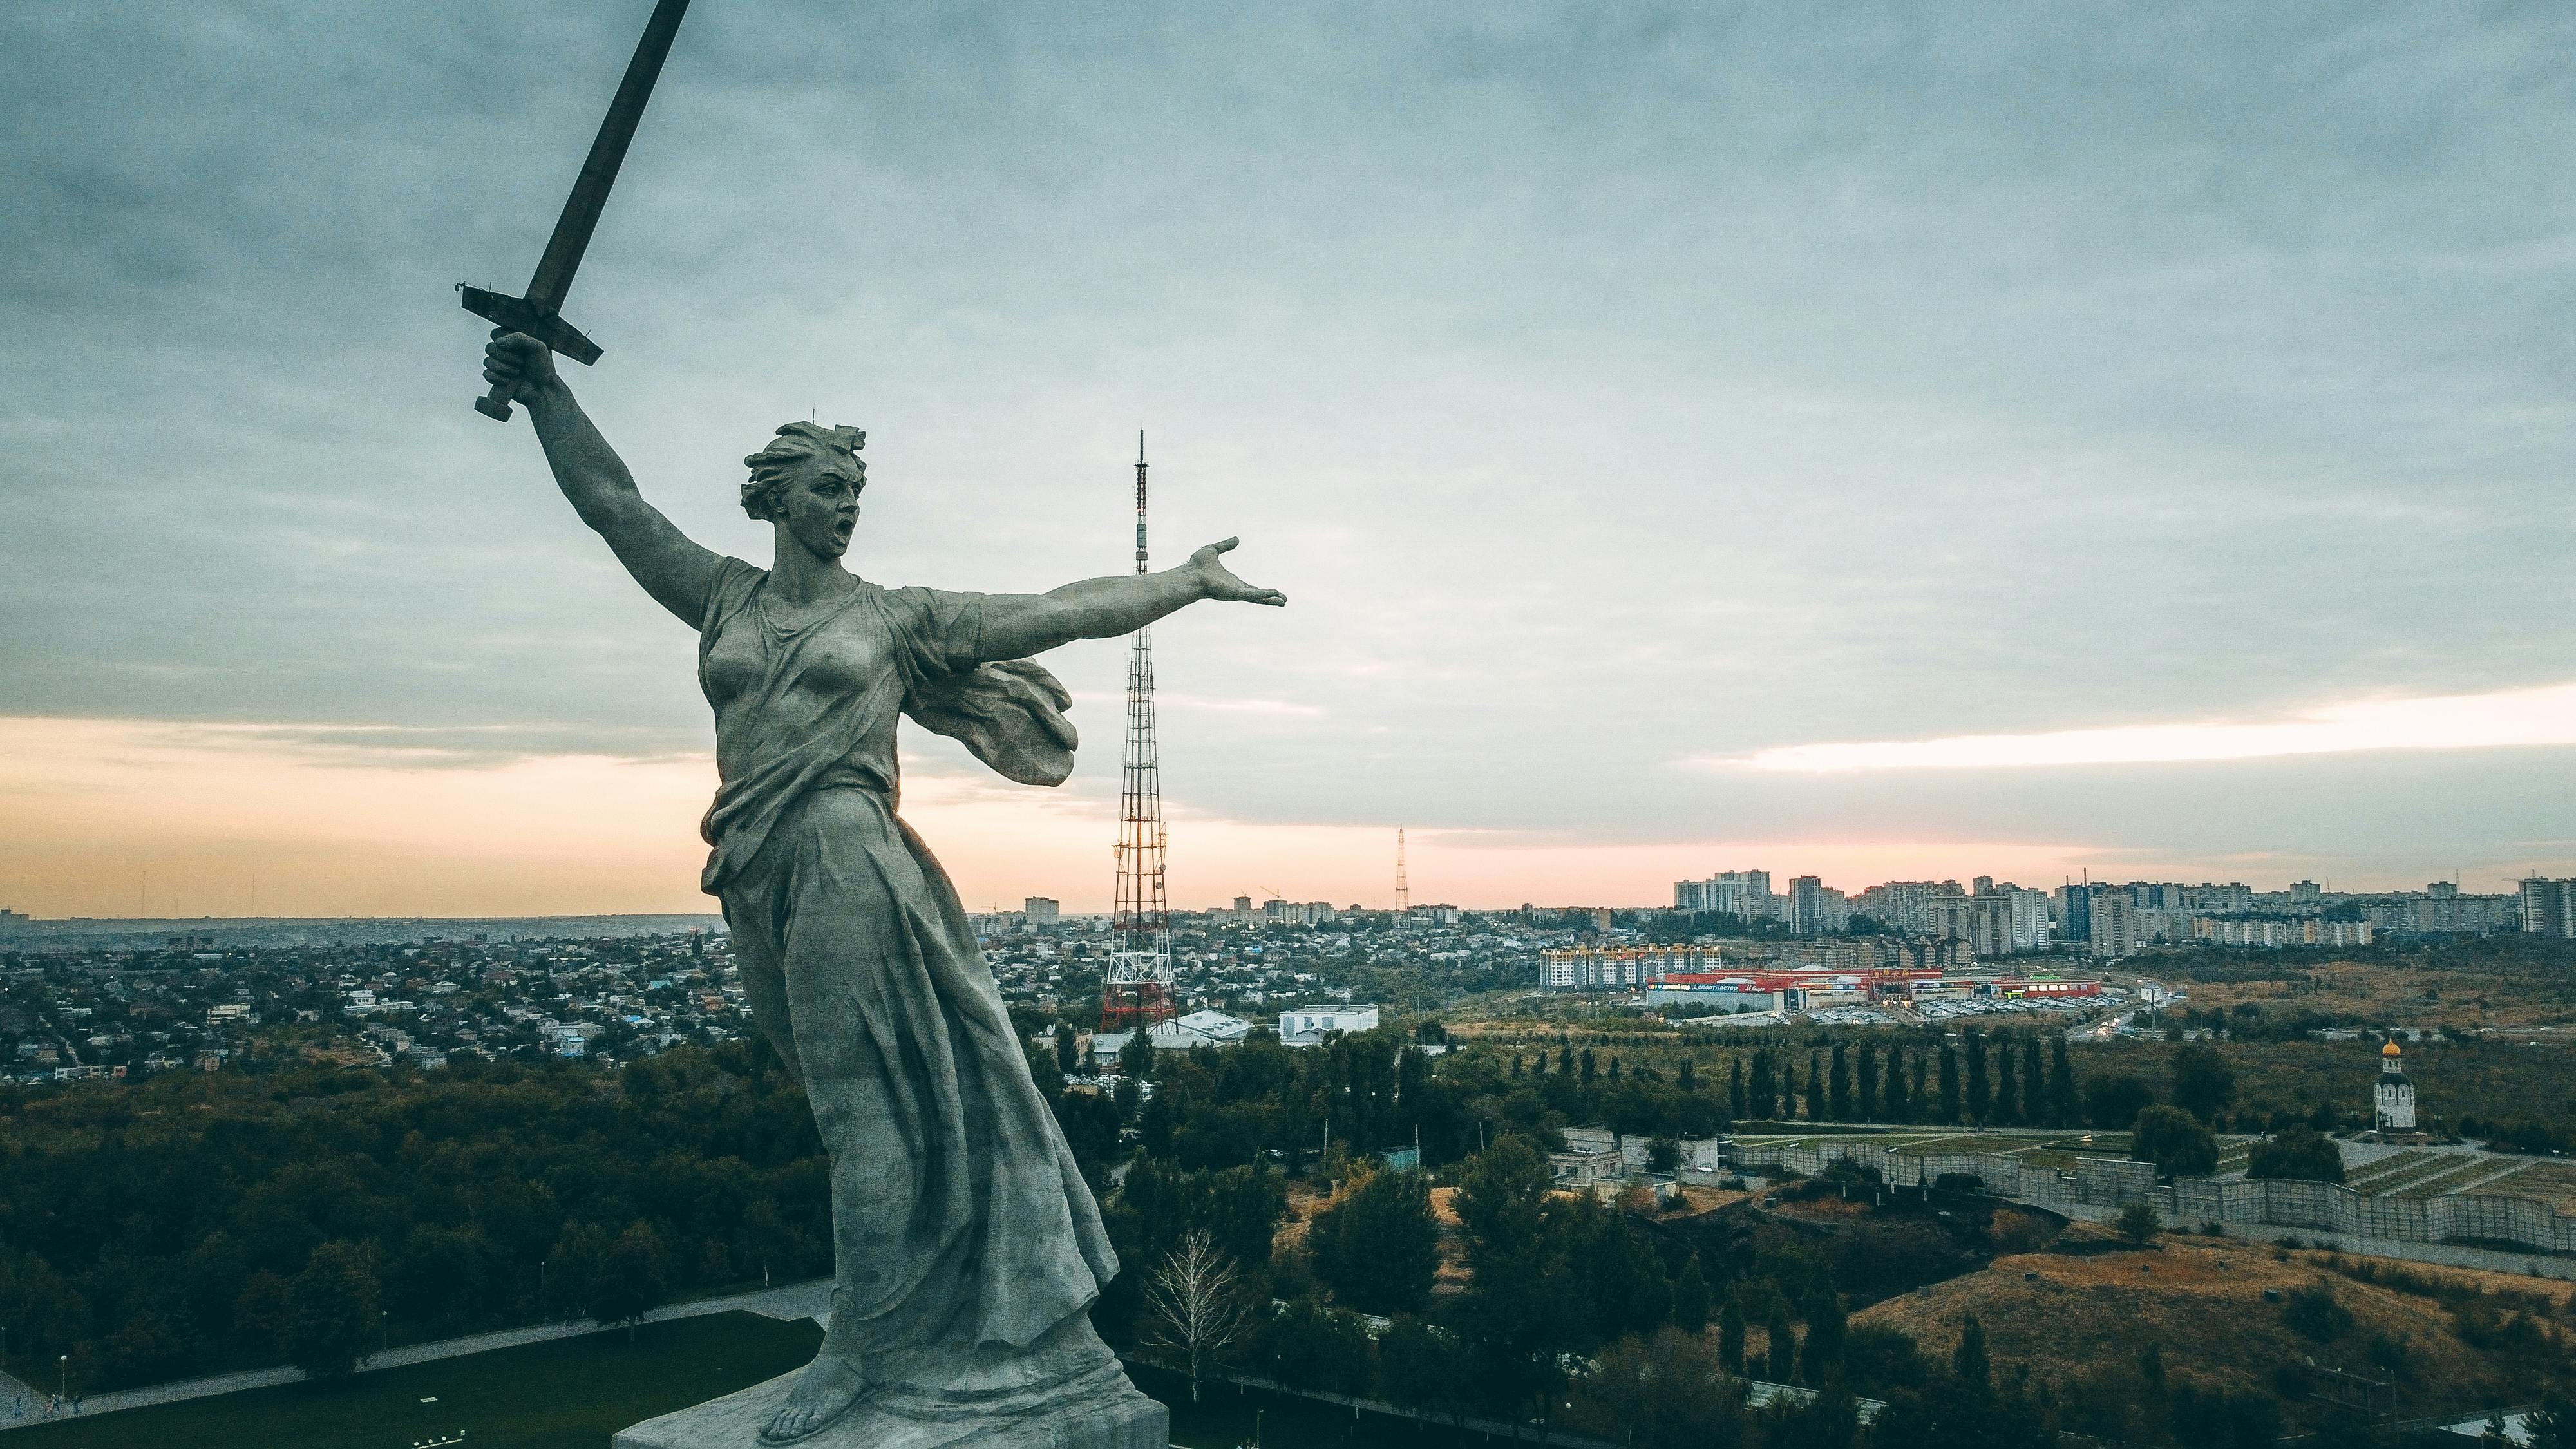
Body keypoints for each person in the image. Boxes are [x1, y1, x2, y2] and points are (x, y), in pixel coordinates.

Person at [482, 333, 1283, 1444]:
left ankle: (861, 1350)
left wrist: (1182, 584)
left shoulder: (891, 617)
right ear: (776, 496)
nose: (848, 505)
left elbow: (1052, 608)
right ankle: (901, 1320)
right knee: (841, 1105)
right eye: (828, 488)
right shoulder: (722, 595)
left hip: (851, 855)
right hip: (752, 872)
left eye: (858, 491)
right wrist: (546, 395)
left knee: (862, 1111)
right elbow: (616, 507)